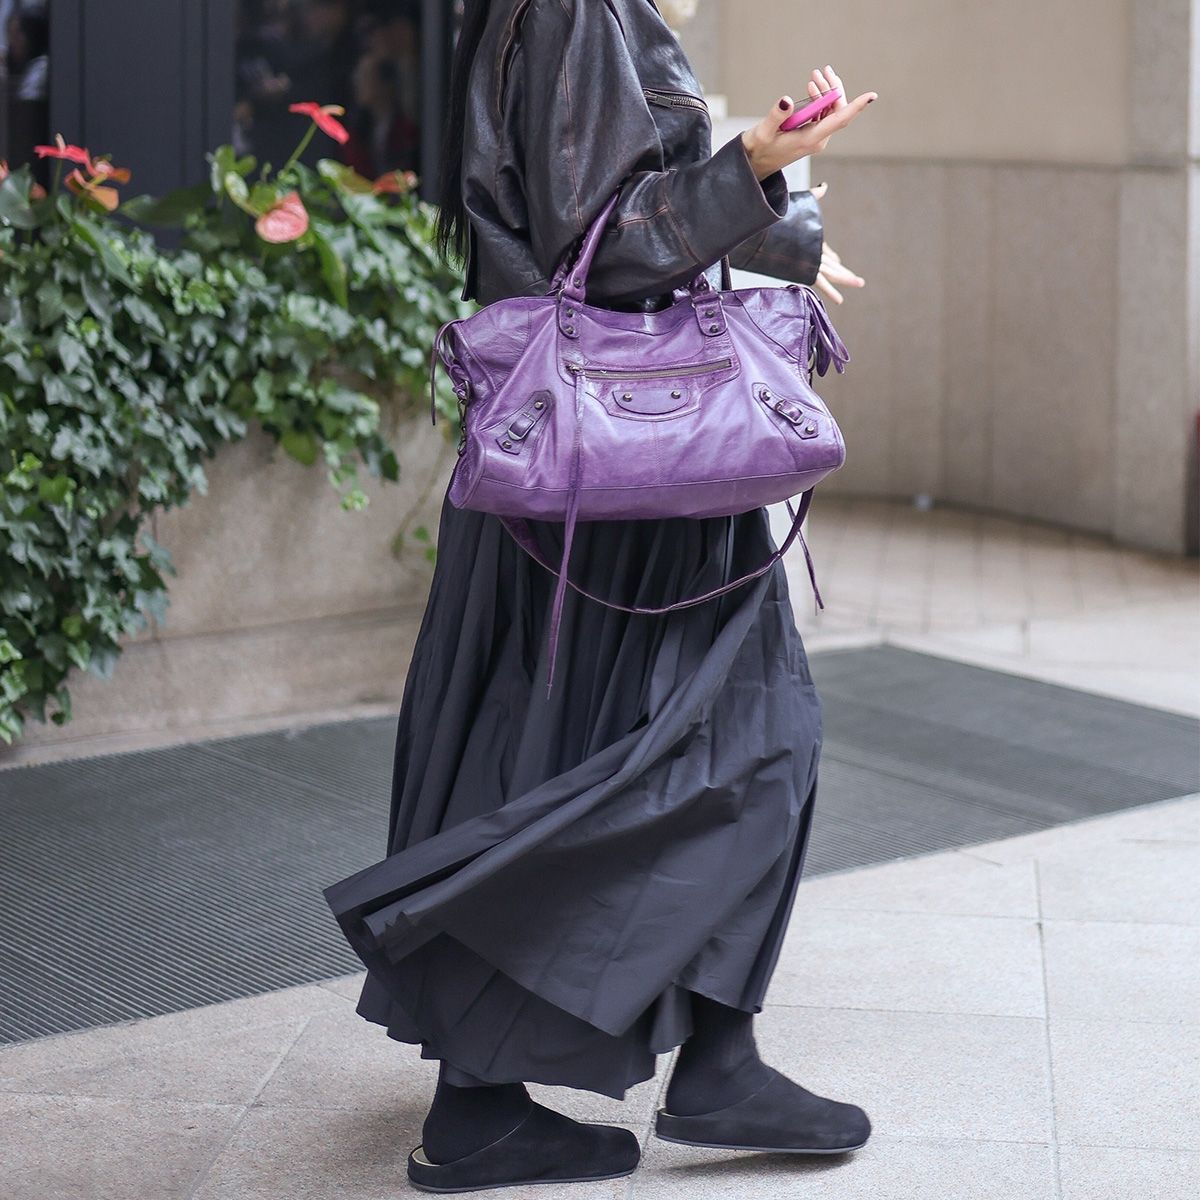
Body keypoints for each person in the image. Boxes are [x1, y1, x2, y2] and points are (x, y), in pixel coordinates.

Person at [324, 1, 878, 1191]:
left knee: (565, 761)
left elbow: (603, 213)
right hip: (627, 475)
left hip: (600, 476)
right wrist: (755, 165)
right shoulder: (581, 6)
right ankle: (699, 1065)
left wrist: (773, 217)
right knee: (739, 741)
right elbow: (606, 241)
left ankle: (527, 1094)